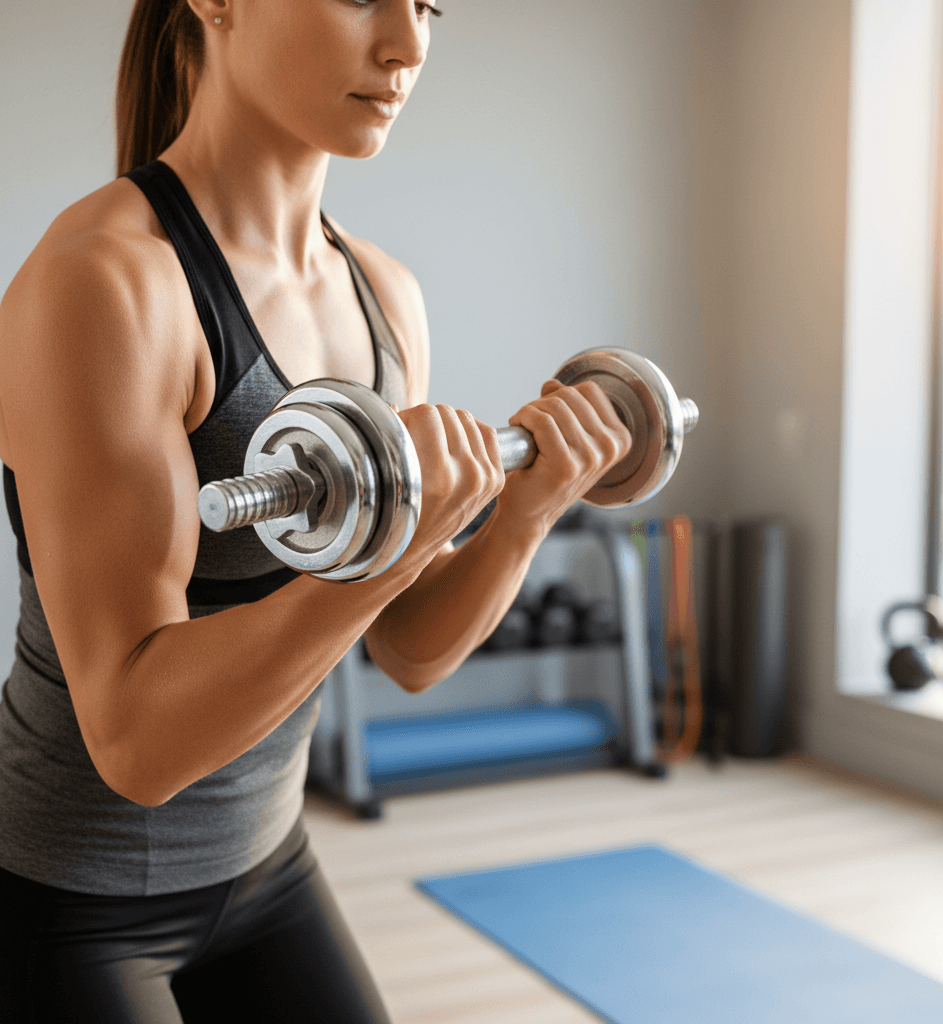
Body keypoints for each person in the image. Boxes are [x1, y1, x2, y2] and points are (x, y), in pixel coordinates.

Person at [0, 0, 631, 1020]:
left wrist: (525, 510)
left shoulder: (383, 296)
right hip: (67, 898)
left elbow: (410, 650)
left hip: (268, 868)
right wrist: (387, 550)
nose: (408, 43)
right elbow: (136, 743)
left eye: (428, 4)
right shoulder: (103, 284)